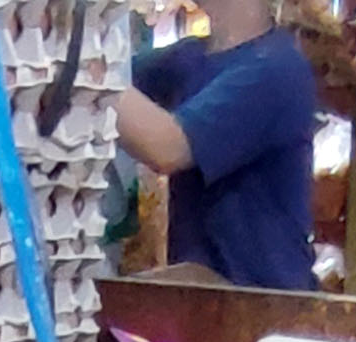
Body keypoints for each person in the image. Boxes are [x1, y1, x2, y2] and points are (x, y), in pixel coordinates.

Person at [120, 1, 323, 291]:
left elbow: (169, 148)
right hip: (207, 297)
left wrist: (88, 72)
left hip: (267, 303)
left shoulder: (277, 68)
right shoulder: (188, 59)